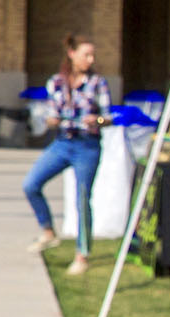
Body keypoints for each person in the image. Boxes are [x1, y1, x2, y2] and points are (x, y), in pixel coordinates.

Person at [23, 34, 111, 276]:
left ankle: (82, 255)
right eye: (86, 54)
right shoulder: (56, 82)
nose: (90, 59)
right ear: (72, 54)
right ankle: (48, 232)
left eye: (92, 55)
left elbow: (108, 116)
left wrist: (99, 120)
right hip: (63, 142)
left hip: (88, 145)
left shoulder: (97, 83)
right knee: (31, 184)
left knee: (82, 198)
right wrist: (51, 120)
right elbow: (51, 113)